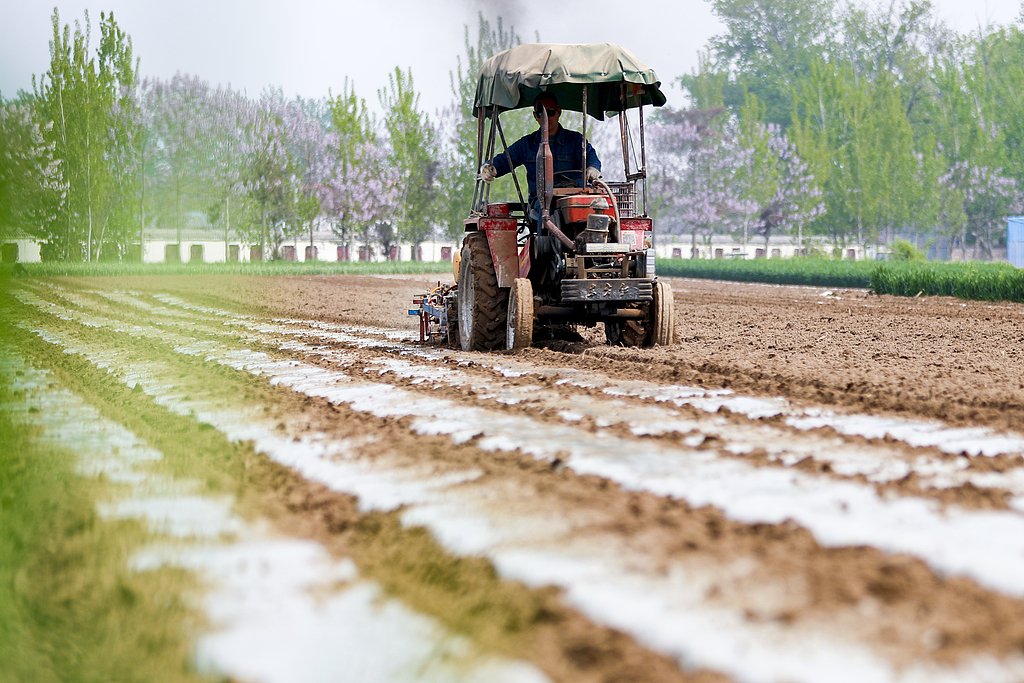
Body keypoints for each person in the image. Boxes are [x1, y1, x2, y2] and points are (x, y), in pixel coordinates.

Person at [478, 93, 601, 211]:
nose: (546, 118)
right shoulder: (527, 144)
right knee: (546, 211)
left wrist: (592, 168)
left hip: (574, 200)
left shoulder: (576, 141)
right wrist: (488, 167)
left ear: (559, 112)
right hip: (540, 203)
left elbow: (591, 157)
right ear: (535, 116)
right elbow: (504, 160)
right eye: (540, 114)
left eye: (550, 112)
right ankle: (545, 231)